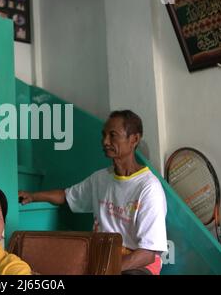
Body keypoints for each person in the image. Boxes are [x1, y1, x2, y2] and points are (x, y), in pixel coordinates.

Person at [18, 110, 168, 275]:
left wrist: (104, 269)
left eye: (113, 135)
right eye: (104, 135)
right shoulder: (100, 179)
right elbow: (66, 196)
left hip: (136, 265)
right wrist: (33, 196)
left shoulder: (149, 188)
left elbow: (147, 253)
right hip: (101, 256)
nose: (105, 141)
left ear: (134, 139)